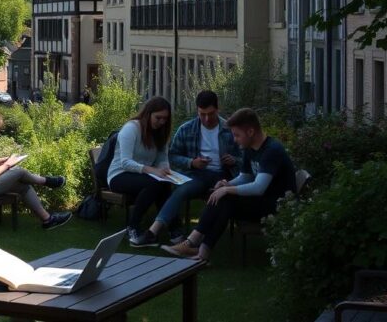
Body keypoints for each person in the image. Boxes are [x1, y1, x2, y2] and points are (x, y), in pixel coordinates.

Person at [162, 108, 296, 262]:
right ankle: (200, 251)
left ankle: (193, 244)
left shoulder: (271, 151)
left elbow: (259, 188)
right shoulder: (250, 148)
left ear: (251, 132)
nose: (235, 139)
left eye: (237, 135)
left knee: (226, 198)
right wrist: (227, 183)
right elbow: (245, 177)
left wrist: (227, 189)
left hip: (277, 205)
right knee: (224, 200)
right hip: (262, 201)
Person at [138, 91, 243, 245]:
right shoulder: (187, 129)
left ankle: (199, 242)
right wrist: (191, 163)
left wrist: (234, 160)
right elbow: (172, 155)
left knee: (219, 197)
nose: (206, 119)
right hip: (198, 174)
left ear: (218, 109)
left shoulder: (229, 130)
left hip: (223, 175)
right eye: (202, 114)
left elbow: (247, 158)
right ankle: (153, 230)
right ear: (197, 111)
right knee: (182, 190)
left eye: (210, 114)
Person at [0, 108, 71, 230]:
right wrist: (9, 164)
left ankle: (48, 220)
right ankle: (47, 182)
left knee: (23, 187)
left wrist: (4, 160)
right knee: (19, 172)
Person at [107, 96, 174, 247]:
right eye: (158, 118)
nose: (162, 122)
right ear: (148, 113)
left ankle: (173, 229)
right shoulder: (131, 129)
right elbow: (125, 162)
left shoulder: (161, 132)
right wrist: (152, 170)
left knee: (164, 184)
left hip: (142, 175)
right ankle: (133, 227)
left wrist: (165, 168)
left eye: (165, 119)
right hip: (119, 175)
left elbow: (162, 156)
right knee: (154, 184)